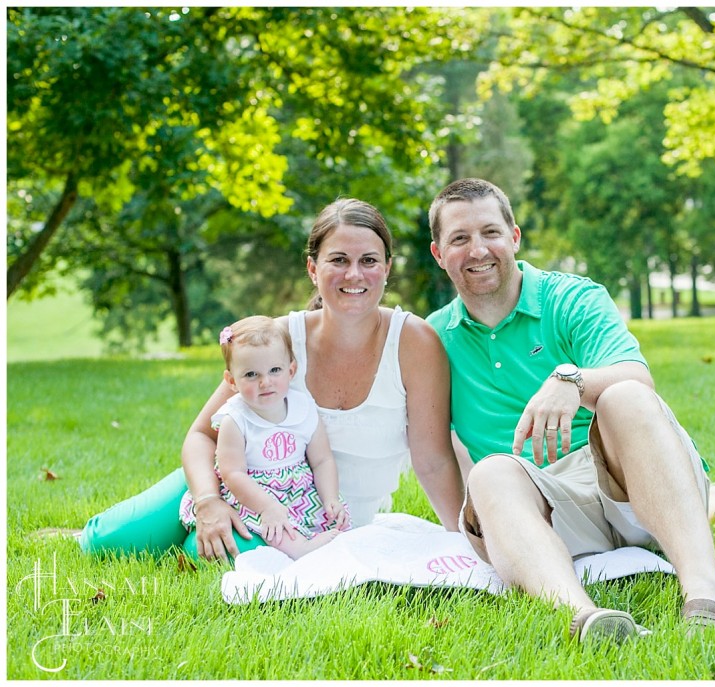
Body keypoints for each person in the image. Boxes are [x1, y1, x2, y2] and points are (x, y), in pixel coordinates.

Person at [425, 178, 715, 643]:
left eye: (490, 232)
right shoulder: (433, 339)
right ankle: (586, 618)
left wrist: (571, 380)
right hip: (544, 511)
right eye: (459, 239)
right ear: (438, 253)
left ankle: (706, 596)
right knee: (487, 474)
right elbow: (429, 446)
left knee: (624, 395)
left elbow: (639, 376)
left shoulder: (571, 298)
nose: (478, 250)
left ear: (514, 236)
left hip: (637, 486)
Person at [80, 198, 464, 560]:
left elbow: (432, 461)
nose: (354, 274)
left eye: (368, 260)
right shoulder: (281, 338)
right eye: (338, 260)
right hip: (233, 483)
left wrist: (461, 543)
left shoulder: (413, 341)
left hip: (320, 524)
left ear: (387, 267)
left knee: (216, 556)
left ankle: (189, 537)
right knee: (104, 543)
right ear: (313, 269)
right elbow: (201, 435)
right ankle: (177, 522)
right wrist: (208, 501)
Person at [179, 315, 351, 560]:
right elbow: (232, 473)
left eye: (274, 370)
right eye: (251, 374)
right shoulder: (235, 419)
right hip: (253, 492)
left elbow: (322, 459)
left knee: (332, 517)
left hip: (298, 490)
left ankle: (328, 542)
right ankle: (301, 550)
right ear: (231, 381)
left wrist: (331, 496)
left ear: (291, 370)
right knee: (274, 526)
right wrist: (267, 506)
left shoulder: (303, 407)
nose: (265, 382)